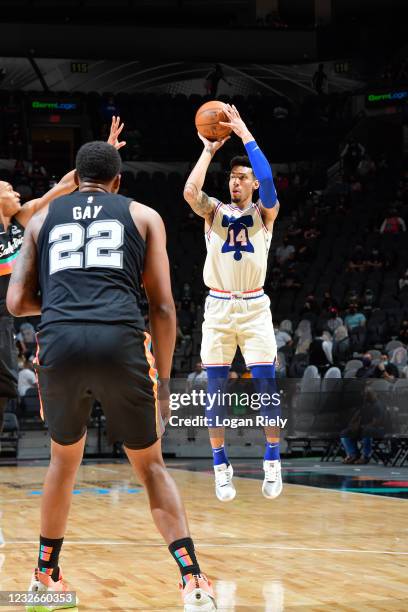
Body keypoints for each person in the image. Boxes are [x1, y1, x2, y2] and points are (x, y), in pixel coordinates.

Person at [7, 141, 216, 611]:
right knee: (151, 467)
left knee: (63, 464)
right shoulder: (143, 216)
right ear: (118, 181)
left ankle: (44, 578)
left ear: (77, 178)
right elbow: (162, 307)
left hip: (58, 343)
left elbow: (16, 303)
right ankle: (193, 581)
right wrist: (163, 385)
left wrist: (66, 302)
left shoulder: (42, 220)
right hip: (120, 340)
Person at [0, 117, 125, 447]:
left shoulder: (23, 219)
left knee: (5, 386)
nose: (15, 191)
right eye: (7, 189)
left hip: (8, 319)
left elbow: (63, 187)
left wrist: (104, 155)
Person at [183, 104, 282, 502]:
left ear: (253, 184)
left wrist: (244, 134)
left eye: (242, 178)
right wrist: (209, 151)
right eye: (232, 178)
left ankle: (272, 460)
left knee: (266, 387)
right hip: (220, 308)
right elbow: (190, 192)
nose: (235, 183)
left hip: (255, 307)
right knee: (216, 391)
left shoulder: (265, 213)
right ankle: (220, 466)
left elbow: (270, 179)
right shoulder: (214, 212)